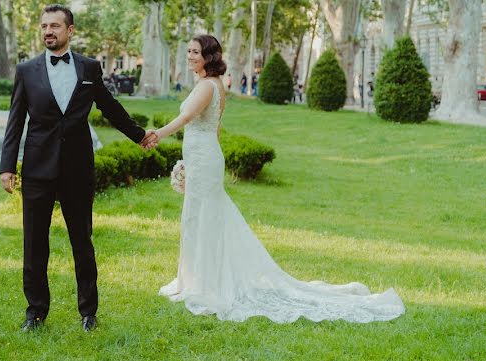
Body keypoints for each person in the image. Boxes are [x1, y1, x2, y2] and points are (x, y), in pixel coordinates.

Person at [143, 34, 405, 323]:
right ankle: (194, 277)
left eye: (195, 52)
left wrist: (156, 135)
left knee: (205, 216)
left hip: (204, 158)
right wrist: (191, 163)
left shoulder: (207, 86)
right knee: (197, 216)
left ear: (209, 56)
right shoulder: (210, 84)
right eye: (188, 51)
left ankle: (206, 284)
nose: (190, 56)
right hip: (202, 156)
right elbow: (214, 129)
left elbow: (187, 118)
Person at [0, 4, 155, 333]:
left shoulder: (88, 68)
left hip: (77, 169)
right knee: (34, 245)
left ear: (70, 31)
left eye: (55, 26)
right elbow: (15, 121)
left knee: (82, 242)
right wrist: (6, 166)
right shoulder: (26, 71)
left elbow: (110, 107)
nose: (48, 31)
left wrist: (139, 135)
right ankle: (36, 313)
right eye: (43, 26)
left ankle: (88, 312)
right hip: (38, 169)